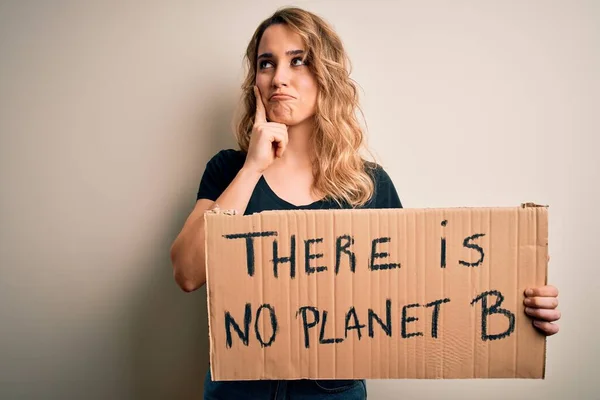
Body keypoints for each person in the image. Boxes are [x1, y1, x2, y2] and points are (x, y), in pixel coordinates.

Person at [170, 7, 561, 400]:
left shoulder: (368, 186)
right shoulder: (229, 170)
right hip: (238, 392)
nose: (279, 78)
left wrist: (520, 304)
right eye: (266, 63)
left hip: (332, 393)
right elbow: (187, 273)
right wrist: (253, 167)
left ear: (325, 74)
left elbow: (425, 295)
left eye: (298, 61)